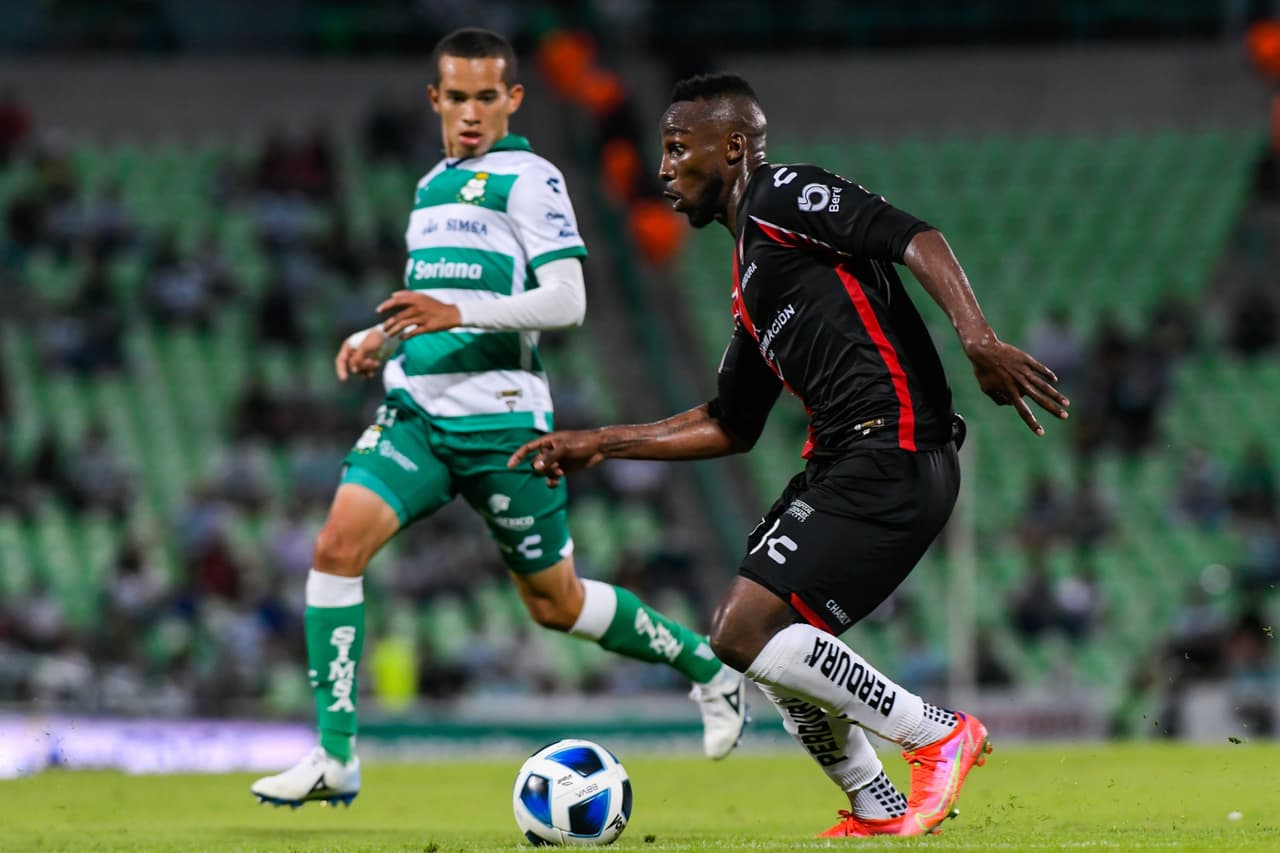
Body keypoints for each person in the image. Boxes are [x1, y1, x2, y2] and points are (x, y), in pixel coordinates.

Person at [510, 73, 1070, 838]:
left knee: (740, 631)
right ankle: (877, 804)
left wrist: (976, 336)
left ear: (733, 147)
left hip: (893, 446)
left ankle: (936, 732)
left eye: (678, 149)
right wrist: (603, 442)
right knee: (758, 636)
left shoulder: (783, 196)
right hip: (850, 460)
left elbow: (914, 236)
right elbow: (730, 422)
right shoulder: (751, 277)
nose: (664, 169)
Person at [250, 32, 748, 809]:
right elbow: (429, 299)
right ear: (436, 101)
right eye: (459, 97)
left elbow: (567, 301)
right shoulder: (428, 187)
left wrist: (455, 310)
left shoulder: (530, 178)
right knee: (335, 546)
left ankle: (706, 667)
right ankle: (336, 755)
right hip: (418, 413)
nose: (473, 111)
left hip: (504, 425)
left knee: (558, 604)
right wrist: (377, 337)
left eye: (489, 96)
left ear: (512, 99)